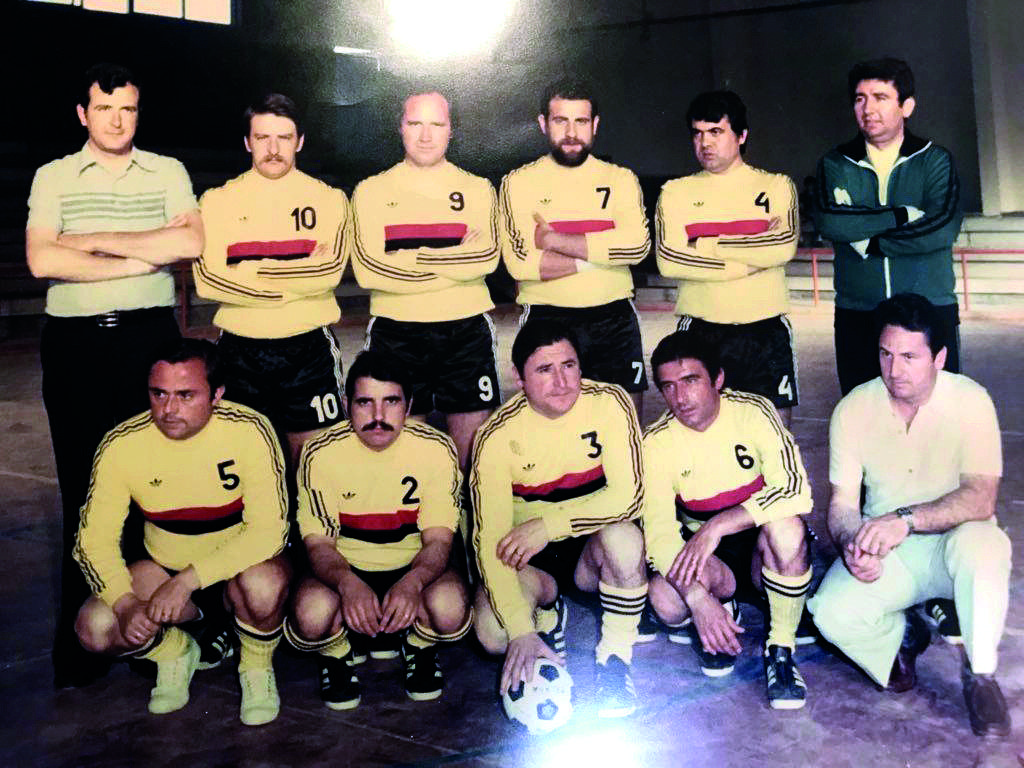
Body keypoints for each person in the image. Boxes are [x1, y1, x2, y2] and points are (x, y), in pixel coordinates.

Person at [26, 63, 204, 688]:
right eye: (105, 109)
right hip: (75, 344)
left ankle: (156, 630)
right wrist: (138, 252)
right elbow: (42, 258)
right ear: (83, 114)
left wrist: (93, 244)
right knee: (84, 487)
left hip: (148, 338)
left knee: (154, 482)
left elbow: (190, 244)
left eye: (128, 109)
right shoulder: (53, 176)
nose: (118, 120)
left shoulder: (167, 172)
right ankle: (86, 639)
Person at [808, 293, 1011, 739]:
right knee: (829, 612)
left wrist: (905, 519)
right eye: (885, 354)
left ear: (939, 357)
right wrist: (849, 544)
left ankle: (982, 677)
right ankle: (902, 636)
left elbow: (981, 499)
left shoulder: (971, 401)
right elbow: (842, 507)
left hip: (953, 545)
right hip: (889, 551)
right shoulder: (854, 409)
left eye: (909, 357)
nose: (894, 370)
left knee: (986, 546)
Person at [72, 339, 290, 725]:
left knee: (263, 584)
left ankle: (256, 667)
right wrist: (124, 604)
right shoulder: (122, 443)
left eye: (186, 395)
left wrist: (190, 580)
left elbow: (270, 531)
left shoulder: (250, 430)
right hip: (166, 568)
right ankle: (175, 652)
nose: (168, 409)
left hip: (238, 570)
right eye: (159, 394)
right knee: (94, 627)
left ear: (217, 394)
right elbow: (93, 540)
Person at [471, 319, 647, 718]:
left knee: (625, 539)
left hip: (590, 549)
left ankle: (614, 661)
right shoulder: (496, 436)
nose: (562, 381)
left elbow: (630, 495)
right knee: (493, 634)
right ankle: (547, 615)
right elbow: (490, 541)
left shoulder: (609, 403)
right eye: (544, 370)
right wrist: (520, 630)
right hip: (531, 563)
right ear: (518, 377)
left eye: (569, 365)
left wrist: (550, 524)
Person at [287, 351, 471, 709]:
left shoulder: (435, 448)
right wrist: (347, 584)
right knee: (310, 615)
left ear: (409, 405)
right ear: (346, 405)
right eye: (364, 403)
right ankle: (336, 650)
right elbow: (320, 545)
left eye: (391, 402)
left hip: (414, 564)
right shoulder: (319, 453)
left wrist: (414, 582)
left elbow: (438, 540)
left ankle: (418, 643)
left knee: (450, 610)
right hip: (345, 567)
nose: (378, 417)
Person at [642, 331, 813, 709]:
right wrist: (697, 598)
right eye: (668, 387)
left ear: (717, 379)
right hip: (714, 564)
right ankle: (723, 609)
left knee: (786, 528)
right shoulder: (655, 443)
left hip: (761, 550)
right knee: (665, 601)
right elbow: (657, 534)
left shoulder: (754, 412)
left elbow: (796, 490)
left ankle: (781, 648)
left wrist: (718, 526)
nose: (680, 398)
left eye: (691, 381)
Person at [193, 93, 349, 466]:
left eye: (283, 137)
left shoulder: (329, 199)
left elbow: (328, 274)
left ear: (300, 141)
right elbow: (207, 281)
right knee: (248, 465)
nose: (273, 148)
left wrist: (249, 272)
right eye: (263, 138)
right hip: (238, 351)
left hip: (308, 349)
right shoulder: (216, 201)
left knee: (314, 465)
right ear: (247, 142)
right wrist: (295, 274)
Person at [351, 90, 500, 470]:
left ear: (451, 130)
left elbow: (485, 260)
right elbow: (370, 270)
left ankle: (464, 525)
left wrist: (407, 258)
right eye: (415, 123)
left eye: (437, 124)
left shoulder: (478, 189)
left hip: (466, 330)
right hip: (397, 331)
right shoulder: (371, 191)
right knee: (400, 458)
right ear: (400, 128)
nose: (426, 135)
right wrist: (453, 259)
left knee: (472, 461)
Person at [813, 58, 963, 395]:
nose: (868, 108)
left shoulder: (935, 160)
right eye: (859, 98)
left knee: (936, 420)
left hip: (929, 310)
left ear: (906, 106)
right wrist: (900, 215)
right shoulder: (834, 163)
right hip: (858, 312)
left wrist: (872, 242)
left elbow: (941, 228)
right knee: (864, 418)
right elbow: (830, 221)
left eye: (880, 97)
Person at [498, 79, 650, 412]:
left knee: (624, 429)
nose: (571, 131)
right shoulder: (518, 183)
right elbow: (522, 265)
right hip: (546, 319)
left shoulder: (621, 179)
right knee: (551, 431)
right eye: (560, 120)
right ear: (543, 124)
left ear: (595, 124)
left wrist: (554, 241)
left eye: (581, 121)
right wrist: (599, 257)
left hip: (615, 320)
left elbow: (637, 247)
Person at [655, 91, 800, 428]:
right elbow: (669, 261)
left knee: (775, 428)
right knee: (703, 429)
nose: (705, 142)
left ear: (741, 135)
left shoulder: (777, 186)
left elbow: (781, 248)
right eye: (697, 133)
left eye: (716, 132)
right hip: (701, 329)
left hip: (765, 329)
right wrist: (750, 257)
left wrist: (705, 243)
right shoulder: (676, 192)